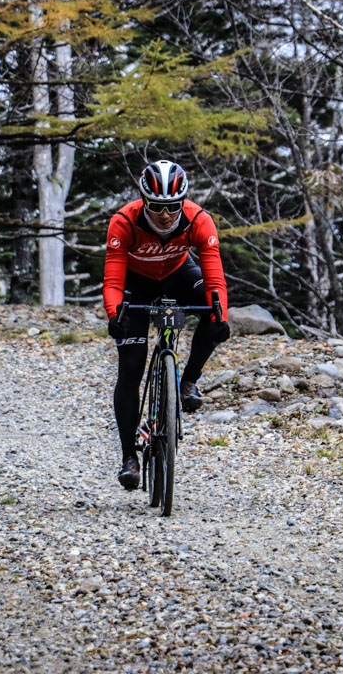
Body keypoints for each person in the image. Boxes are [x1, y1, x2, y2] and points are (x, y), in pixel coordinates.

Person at [102, 159, 230, 490]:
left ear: (182, 201)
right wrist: (115, 315)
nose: (164, 214)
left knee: (211, 309)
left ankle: (187, 382)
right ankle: (129, 456)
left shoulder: (198, 219)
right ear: (144, 201)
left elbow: (214, 274)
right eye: (156, 206)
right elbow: (114, 278)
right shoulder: (124, 222)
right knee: (130, 369)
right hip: (135, 283)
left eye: (172, 206)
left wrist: (221, 317)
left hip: (177, 275)